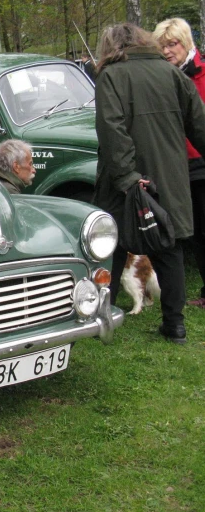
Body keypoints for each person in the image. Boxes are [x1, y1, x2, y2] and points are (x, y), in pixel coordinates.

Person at [93, 23, 205, 344]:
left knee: (111, 246)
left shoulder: (111, 77)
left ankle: (105, 317)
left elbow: (112, 132)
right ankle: (175, 324)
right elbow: (199, 125)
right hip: (168, 178)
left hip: (123, 181)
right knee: (169, 247)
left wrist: (128, 177)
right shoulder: (172, 74)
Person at [152, 18, 205, 310]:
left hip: (201, 161)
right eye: (163, 46)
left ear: (185, 44)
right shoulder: (164, 78)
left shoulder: (201, 75)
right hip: (178, 164)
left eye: (173, 44)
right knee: (194, 232)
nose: (168, 51)